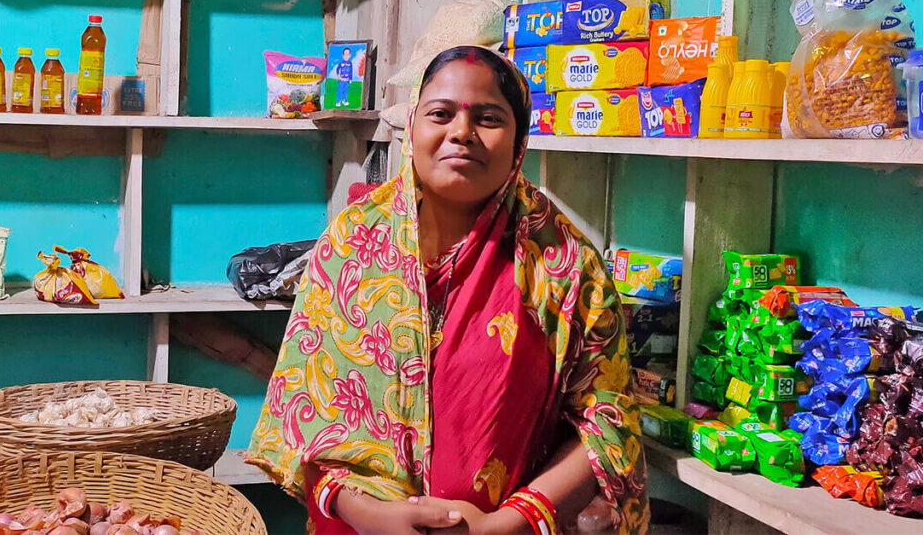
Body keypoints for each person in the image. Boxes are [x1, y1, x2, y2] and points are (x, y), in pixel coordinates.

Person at [247, 46, 649, 534]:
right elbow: (302, 414)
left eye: (489, 117)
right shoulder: (352, 243)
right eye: (441, 114)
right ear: (413, 126)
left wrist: (508, 524)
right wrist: (369, 515)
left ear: (519, 141)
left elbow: (606, 420)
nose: (462, 132)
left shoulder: (564, 264)